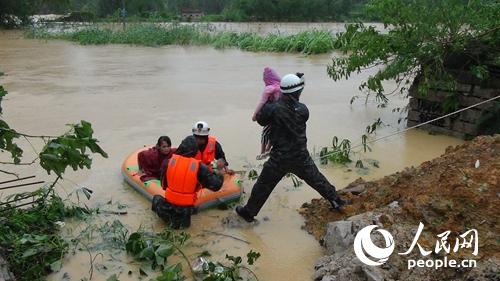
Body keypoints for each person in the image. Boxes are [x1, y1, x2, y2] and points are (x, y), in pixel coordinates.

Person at [235, 72, 348, 222]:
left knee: (263, 185)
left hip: (279, 158)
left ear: (282, 91)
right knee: (317, 180)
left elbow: (261, 120)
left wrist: (268, 101)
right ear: (298, 92)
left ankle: (248, 213)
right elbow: (292, 103)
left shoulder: (273, 108)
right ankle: (336, 201)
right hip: (300, 156)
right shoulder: (303, 110)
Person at [152, 136, 224, 229]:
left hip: (166, 208)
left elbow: (163, 186)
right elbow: (216, 186)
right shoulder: (199, 167)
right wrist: (219, 173)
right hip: (185, 213)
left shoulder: (168, 162)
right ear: (195, 151)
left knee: (156, 198)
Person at [253, 67, 281, 160]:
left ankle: (263, 152)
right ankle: (267, 150)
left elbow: (262, 102)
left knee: (265, 133)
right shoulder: (281, 86)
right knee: (273, 132)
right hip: (282, 113)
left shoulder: (269, 88)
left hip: (272, 114)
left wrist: (255, 115)